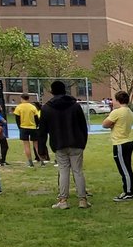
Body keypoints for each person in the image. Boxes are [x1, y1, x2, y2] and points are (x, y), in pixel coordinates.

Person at [39, 81, 90, 209]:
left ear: (52, 91)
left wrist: (41, 149)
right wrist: (83, 142)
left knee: (63, 171)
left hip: (59, 143)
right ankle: (82, 199)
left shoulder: (46, 108)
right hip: (76, 142)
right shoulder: (75, 106)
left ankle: (63, 200)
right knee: (78, 171)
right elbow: (83, 126)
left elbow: (42, 131)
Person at [103, 91, 133, 201]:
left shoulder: (117, 112)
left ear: (117, 100)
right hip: (128, 141)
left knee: (124, 170)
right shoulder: (130, 112)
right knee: (127, 168)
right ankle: (128, 190)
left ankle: (128, 192)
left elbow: (105, 124)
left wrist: (112, 124)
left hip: (120, 143)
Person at [14, 93, 42, 167]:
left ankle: (30, 162)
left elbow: (17, 119)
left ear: (21, 98)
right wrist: (36, 125)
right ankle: (42, 160)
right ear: (28, 98)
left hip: (23, 127)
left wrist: (19, 127)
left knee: (26, 145)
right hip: (33, 127)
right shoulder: (32, 107)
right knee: (36, 145)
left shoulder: (19, 107)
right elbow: (36, 118)